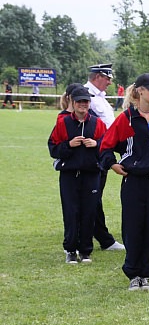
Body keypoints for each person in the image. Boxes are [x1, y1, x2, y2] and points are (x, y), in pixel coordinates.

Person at [100, 73, 149, 291]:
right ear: (140, 91)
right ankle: (133, 274)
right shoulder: (126, 119)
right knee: (134, 228)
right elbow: (105, 146)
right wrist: (113, 165)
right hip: (135, 182)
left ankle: (147, 275)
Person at [48, 86, 107, 264]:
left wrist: (95, 144)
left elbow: (106, 148)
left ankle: (86, 250)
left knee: (89, 211)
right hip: (69, 174)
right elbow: (53, 149)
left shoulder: (98, 124)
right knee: (71, 212)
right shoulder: (62, 123)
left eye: (86, 101)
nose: (83, 105)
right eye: (80, 102)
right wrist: (69, 145)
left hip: (91, 174)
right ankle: (70, 249)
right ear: (73, 103)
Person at [85, 64, 125, 251]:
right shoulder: (87, 96)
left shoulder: (99, 98)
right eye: (107, 78)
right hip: (93, 154)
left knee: (95, 197)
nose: (110, 82)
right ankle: (102, 239)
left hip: (103, 152)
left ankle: (96, 236)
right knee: (92, 197)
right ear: (98, 77)